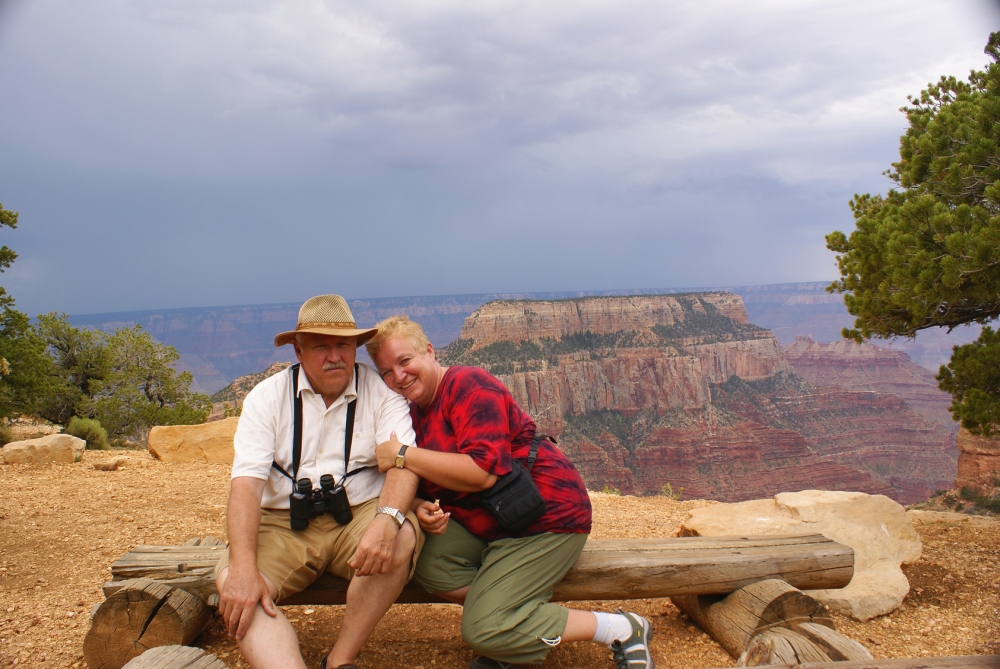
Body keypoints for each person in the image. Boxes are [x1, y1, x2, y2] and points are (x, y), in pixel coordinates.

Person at [367, 315, 654, 669]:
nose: (398, 376)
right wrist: (418, 502)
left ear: (429, 351)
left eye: (405, 361)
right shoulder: (413, 411)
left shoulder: (468, 384)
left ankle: (621, 628)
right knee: (416, 556)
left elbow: (483, 472)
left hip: (548, 516)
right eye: (386, 372)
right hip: (492, 523)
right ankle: (510, 617)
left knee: (481, 630)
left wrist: (401, 454)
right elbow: (425, 476)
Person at [215, 295, 423, 669]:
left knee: (401, 534)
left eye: (343, 345)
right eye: (321, 346)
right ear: (298, 351)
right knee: (238, 581)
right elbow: (246, 484)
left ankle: (338, 662)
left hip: (359, 516)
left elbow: (403, 465)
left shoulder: (380, 392)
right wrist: (244, 568)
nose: (335, 356)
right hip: (283, 525)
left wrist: (387, 519)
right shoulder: (267, 398)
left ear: (355, 347)